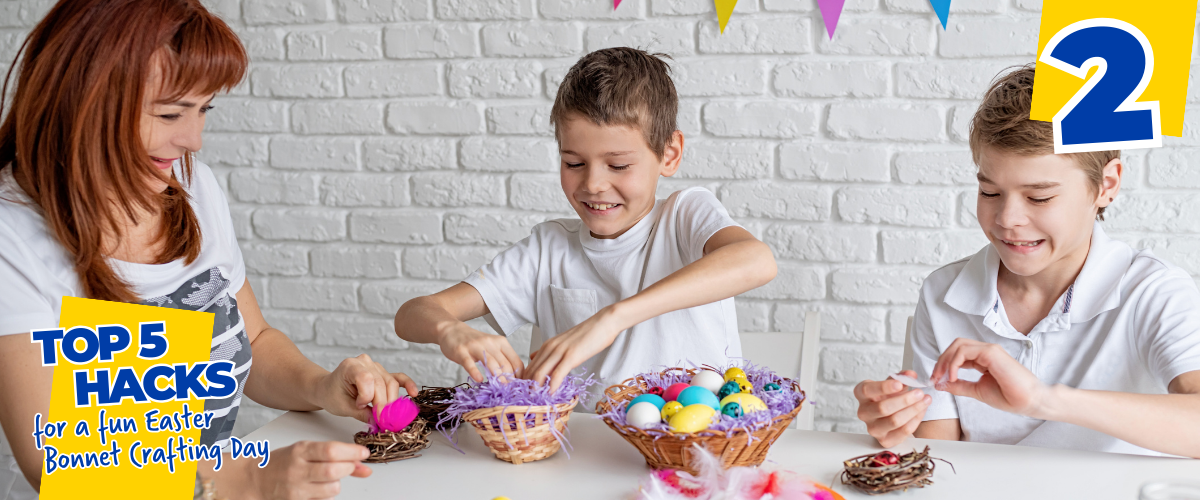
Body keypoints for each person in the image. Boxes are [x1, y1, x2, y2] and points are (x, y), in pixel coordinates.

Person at [0, 1, 418, 498]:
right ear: (82, 99)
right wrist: (249, 478)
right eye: (169, 113)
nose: (193, 139)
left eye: (203, 109)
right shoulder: (11, 237)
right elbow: (51, 464)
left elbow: (253, 340)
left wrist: (322, 387)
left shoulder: (192, 186)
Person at [393, 47, 778, 403]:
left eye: (618, 165)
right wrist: (449, 330)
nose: (593, 184)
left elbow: (757, 261)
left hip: (695, 444)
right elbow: (413, 313)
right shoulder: (548, 249)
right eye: (574, 163)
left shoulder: (684, 217)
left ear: (669, 153)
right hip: (581, 449)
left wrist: (611, 319)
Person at [853, 65, 1200, 457]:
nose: (1007, 219)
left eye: (1039, 197)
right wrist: (898, 428)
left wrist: (1042, 399)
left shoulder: (1154, 292)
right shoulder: (944, 293)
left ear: (1107, 185)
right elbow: (940, 454)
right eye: (990, 192)